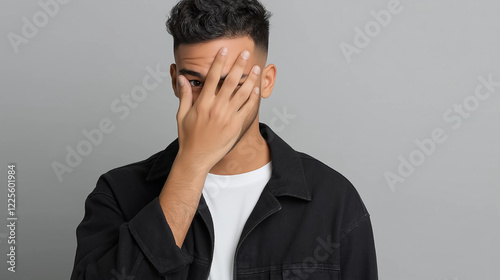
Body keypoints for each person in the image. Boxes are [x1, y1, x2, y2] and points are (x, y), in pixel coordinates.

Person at [70, 0, 378, 279]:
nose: (212, 103)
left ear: (266, 81)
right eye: (195, 82)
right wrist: (192, 163)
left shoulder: (334, 201)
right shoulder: (118, 194)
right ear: (175, 82)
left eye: (233, 82)